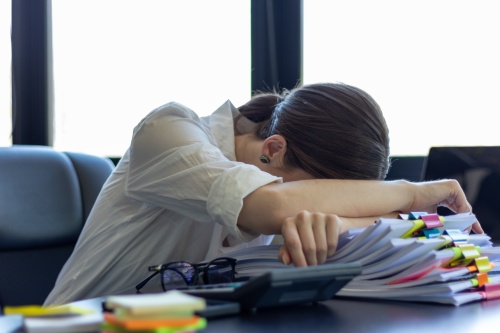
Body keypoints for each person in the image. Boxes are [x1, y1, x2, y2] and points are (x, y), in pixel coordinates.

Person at [44, 82, 483, 306]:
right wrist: (410, 194)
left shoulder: (290, 184)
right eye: (317, 193)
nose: (316, 204)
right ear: (273, 149)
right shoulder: (169, 131)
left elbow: (366, 228)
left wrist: (341, 221)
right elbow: (266, 207)